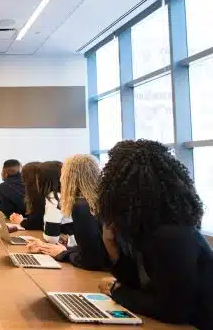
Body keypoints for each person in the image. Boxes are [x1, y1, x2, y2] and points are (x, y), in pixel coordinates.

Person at [96, 140, 212, 328]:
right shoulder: (148, 230)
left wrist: (115, 291)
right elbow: (135, 285)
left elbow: (173, 311)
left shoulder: (172, 235)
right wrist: (111, 245)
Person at [27, 155, 109, 270]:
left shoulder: (82, 206)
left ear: (67, 177)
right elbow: (96, 250)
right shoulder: (101, 200)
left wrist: (63, 253)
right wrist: (54, 248)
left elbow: (90, 260)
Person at [9, 162, 43, 230]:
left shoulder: (40, 196)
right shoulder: (39, 193)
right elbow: (37, 219)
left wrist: (20, 221)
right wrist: (23, 219)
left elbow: (34, 224)